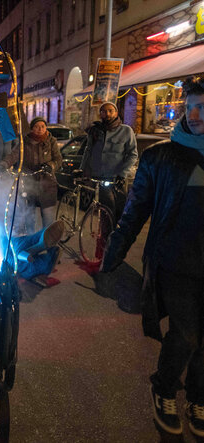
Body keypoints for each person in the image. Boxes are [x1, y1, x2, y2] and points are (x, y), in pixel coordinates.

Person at [100, 76, 204, 438]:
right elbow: (135, 211)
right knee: (187, 335)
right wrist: (113, 253)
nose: (197, 114)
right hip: (175, 263)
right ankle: (163, 387)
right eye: (192, 105)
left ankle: (198, 395)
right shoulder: (159, 156)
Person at [0, 116, 62, 230]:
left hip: (47, 185)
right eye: (37, 127)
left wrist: (50, 166)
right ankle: (30, 242)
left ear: (46, 128)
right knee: (29, 217)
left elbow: (58, 159)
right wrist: (3, 165)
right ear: (32, 128)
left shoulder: (51, 141)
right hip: (29, 184)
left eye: (42, 126)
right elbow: (13, 156)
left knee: (48, 219)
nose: (40, 129)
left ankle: (50, 245)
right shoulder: (25, 142)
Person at [81, 102, 138, 222]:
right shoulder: (95, 131)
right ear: (100, 114)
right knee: (107, 210)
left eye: (110, 111)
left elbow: (133, 155)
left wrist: (122, 174)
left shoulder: (126, 131)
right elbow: (88, 151)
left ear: (116, 113)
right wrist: (82, 170)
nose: (107, 114)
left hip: (117, 178)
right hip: (99, 177)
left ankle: (116, 236)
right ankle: (105, 237)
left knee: (120, 211)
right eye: (104, 111)